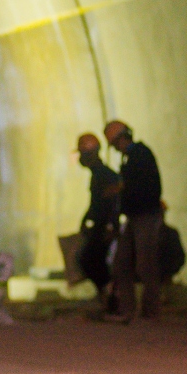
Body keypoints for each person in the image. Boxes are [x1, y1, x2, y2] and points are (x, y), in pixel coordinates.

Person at [104, 120, 163, 321]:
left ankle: (151, 312)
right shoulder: (132, 158)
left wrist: (122, 188)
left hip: (145, 216)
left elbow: (146, 187)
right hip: (134, 217)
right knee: (122, 263)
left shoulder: (140, 155)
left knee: (146, 265)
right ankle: (129, 310)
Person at [75, 133, 120, 312]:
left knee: (90, 260)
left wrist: (110, 226)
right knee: (91, 259)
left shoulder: (104, 175)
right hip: (100, 225)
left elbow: (111, 202)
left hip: (103, 227)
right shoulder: (99, 174)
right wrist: (86, 219)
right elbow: (97, 202)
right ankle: (107, 297)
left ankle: (110, 295)